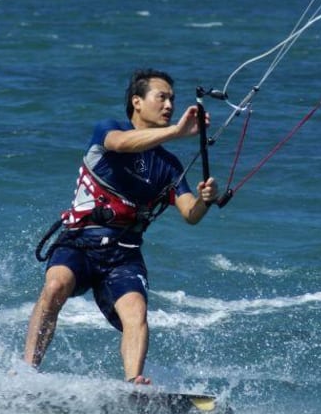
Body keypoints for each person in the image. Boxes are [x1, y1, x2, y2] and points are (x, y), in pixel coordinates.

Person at [24, 68, 217, 385]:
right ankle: (27, 372)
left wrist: (206, 199)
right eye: (162, 97)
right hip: (79, 241)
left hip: (124, 253)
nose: (169, 105)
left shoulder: (170, 166)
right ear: (137, 102)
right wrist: (178, 132)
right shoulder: (108, 130)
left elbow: (190, 214)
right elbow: (124, 143)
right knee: (55, 285)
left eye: (172, 99)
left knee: (136, 311)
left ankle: (133, 385)